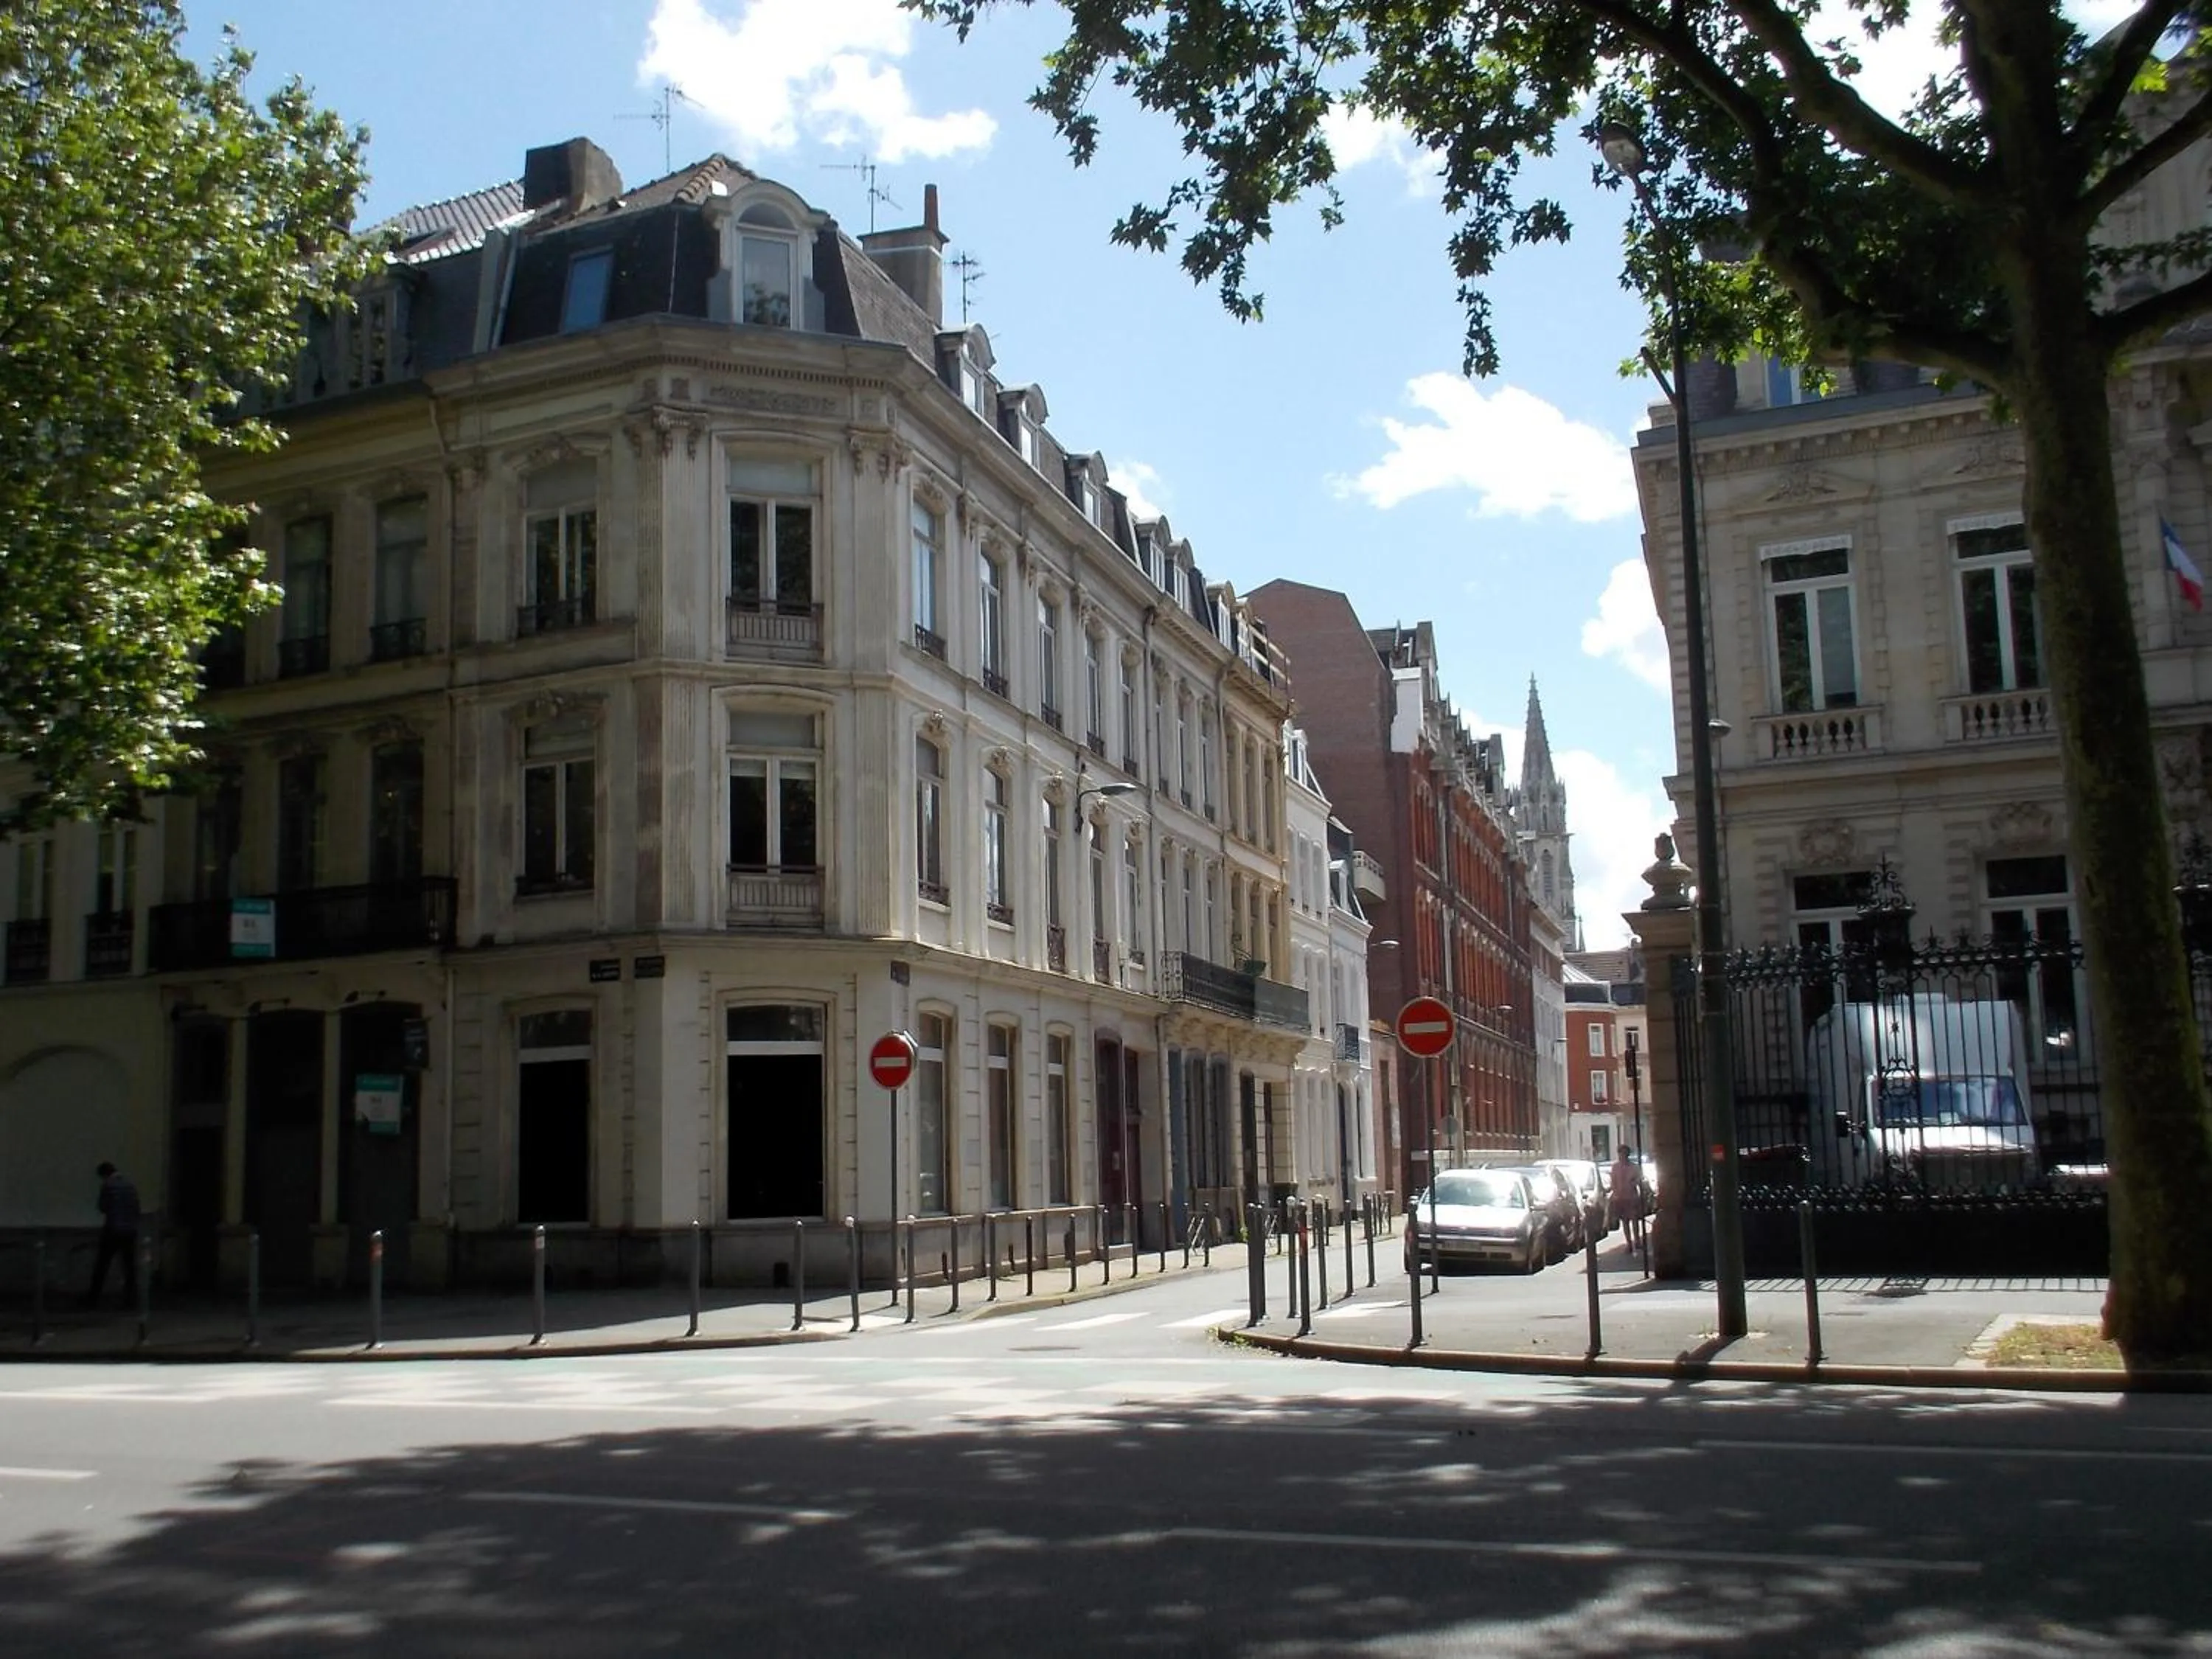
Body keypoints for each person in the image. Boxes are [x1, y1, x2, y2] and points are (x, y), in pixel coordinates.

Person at [86, 1161, 141, 1308]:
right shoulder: (130, 1185)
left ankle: (93, 1297)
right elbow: (136, 1208)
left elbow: (103, 1207)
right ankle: (131, 1299)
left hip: (113, 1230)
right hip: (130, 1231)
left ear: (104, 1174)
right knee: (129, 1266)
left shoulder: (108, 1185)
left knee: (102, 1264)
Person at [1609, 1147, 1645, 1254]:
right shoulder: (1615, 1167)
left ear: (1627, 1155)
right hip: (1620, 1198)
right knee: (1625, 1222)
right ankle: (1629, 1243)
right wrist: (1615, 1193)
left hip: (1632, 1197)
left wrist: (1633, 1183)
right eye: (1620, 1154)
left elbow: (1639, 1179)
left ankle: (1637, 1240)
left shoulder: (1634, 1167)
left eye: (1624, 1154)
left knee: (1634, 1220)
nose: (1622, 1156)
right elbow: (1613, 1181)